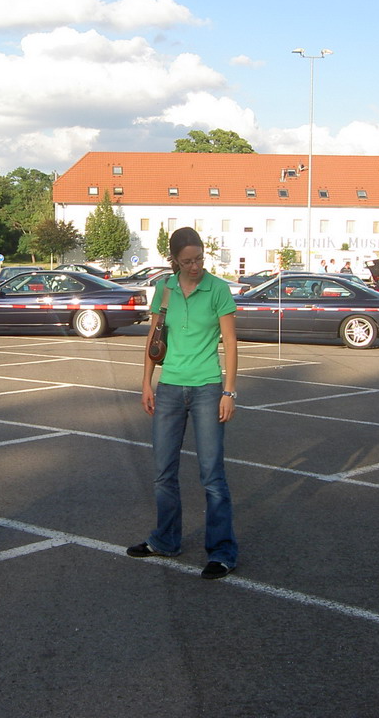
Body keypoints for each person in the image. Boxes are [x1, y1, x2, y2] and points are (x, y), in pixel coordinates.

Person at [127, 227, 239, 580]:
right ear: (174, 260)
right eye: (187, 261)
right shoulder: (165, 288)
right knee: (164, 472)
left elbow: (230, 343)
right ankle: (165, 539)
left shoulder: (217, 289)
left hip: (207, 388)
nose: (195, 266)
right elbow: (154, 337)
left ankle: (222, 551)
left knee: (212, 475)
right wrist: (147, 383)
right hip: (170, 388)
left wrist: (229, 392)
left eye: (200, 259)